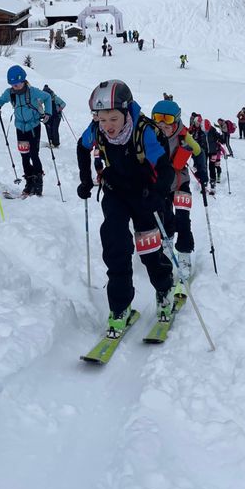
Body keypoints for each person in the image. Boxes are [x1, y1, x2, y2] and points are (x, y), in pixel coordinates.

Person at [77, 81, 176, 337]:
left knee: (150, 251)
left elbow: (165, 168)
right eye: (101, 119)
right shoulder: (97, 131)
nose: (107, 125)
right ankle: (120, 307)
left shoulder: (145, 132)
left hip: (144, 196)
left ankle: (165, 289)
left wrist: (157, 194)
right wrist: (85, 179)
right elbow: (81, 146)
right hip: (115, 193)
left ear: (126, 111)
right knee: (115, 247)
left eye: (113, 118)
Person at [151, 99, 206, 295]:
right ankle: (166, 254)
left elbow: (199, 153)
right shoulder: (151, 135)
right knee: (165, 222)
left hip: (181, 183)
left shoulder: (183, 135)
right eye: (157, 118)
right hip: (162, 187)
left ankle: (184, 257)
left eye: (167, 119)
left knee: (183, 220)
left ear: (176, 120)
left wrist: (203, 174)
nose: (162, 124)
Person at [0, 66, 52, 197]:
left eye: (18, 83)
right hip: (20, 128)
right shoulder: (10, 93)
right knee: (24, 156)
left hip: (34, 127)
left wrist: (48, 113)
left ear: (24, 80)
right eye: (13, 84)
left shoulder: (34, 92)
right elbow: (1, 100)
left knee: (34, 154)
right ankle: (29, 182)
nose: (16, 86)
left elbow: (47, 97)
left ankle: (38, 183)